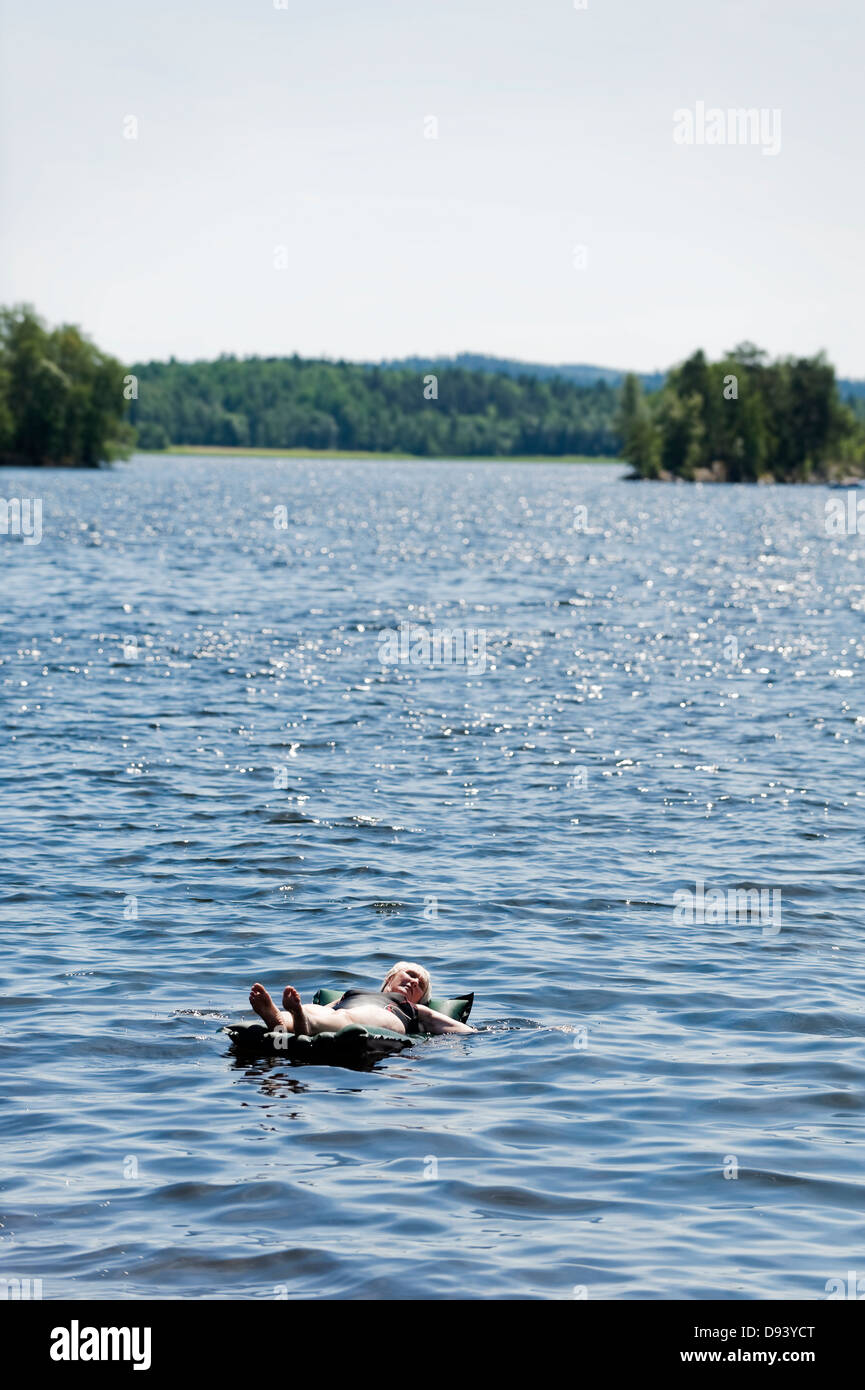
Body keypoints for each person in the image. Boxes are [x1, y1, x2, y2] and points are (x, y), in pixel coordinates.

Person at [248, 961, 475, 1037]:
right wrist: (305, 1010)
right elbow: (328, 1008)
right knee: (319, 1010)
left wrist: (480, 1033)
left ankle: (300, 1023)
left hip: (388, 1013)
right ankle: (284, 1018)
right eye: (410, 975)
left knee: (347, 1016)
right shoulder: (354, 991)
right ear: (390, 978)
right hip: (346, 1003)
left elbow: (449, 1025)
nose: (414, 982)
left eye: (420, 986)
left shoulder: (412, 1008)